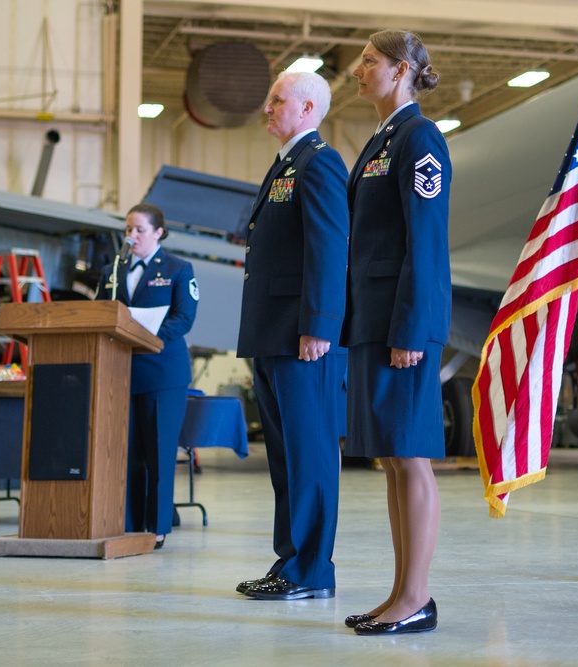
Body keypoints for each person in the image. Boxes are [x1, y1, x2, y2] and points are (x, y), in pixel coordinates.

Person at [340, 30, 452, 635]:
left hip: (402, 325)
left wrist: (410, 326)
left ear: (401, 70)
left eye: (370, 61)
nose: (359, 71)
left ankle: (417, 598)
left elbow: (425, 243)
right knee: (390, 457)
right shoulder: (381, 141)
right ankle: (400, 594)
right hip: (375, 321)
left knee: (409, 458)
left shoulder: (420, 139)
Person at [235, 71, 350, 601]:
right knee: (284, 457)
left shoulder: (319, 161)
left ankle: (312, 570)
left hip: (302, 336)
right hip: (272, 332)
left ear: (306, 108)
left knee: (310, 453)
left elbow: (328, 248)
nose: (267, 108)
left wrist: (320, 325)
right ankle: (291, 561)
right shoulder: (287, 163)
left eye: (276, 100)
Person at [97, 203, 199, 549]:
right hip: (120, 373)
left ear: (158, 232)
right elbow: (100, 311)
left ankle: (156, 526)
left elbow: (184, 319)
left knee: (158, 450)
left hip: (161, 372)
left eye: (140, 229)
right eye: (128, 229)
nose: (132, 236)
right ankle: (125, 520)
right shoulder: (114, 269)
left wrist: (147, 337)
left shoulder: (178, 269)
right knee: (124, 450)